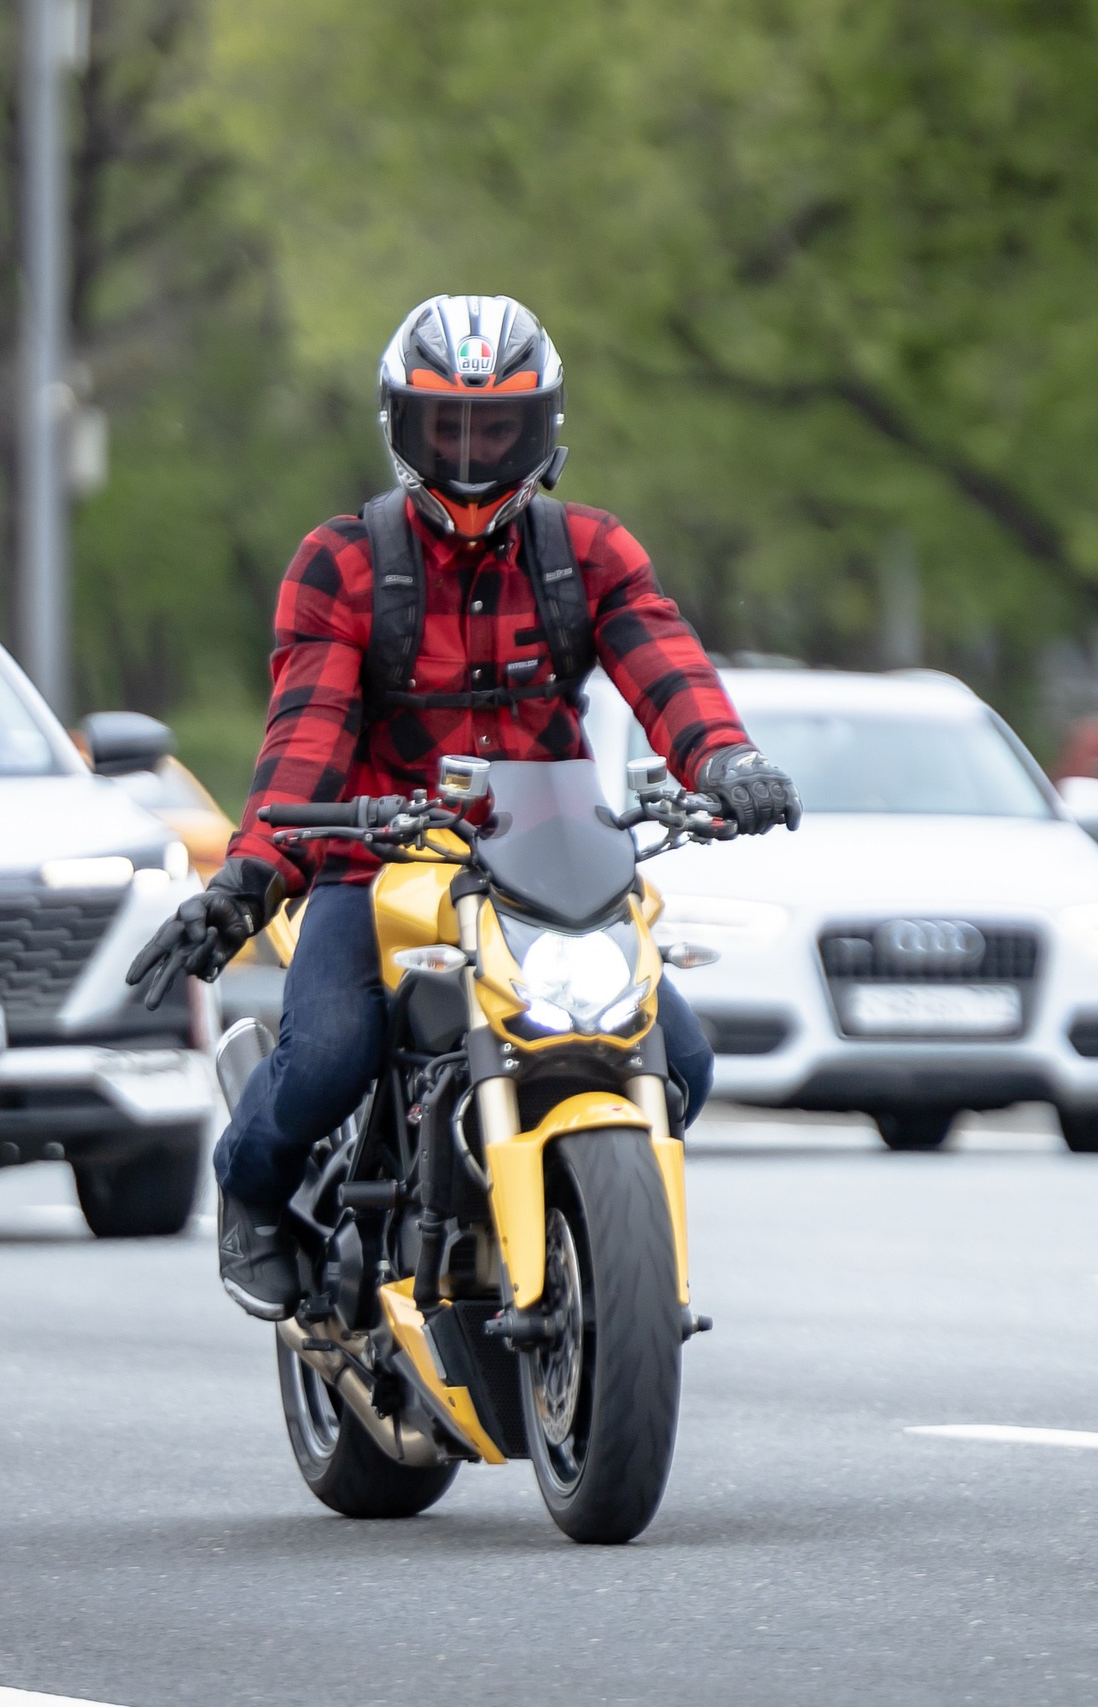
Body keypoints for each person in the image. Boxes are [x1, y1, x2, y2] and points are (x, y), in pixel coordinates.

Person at [127, 294, 800, 1319]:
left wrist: (728, 759)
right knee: (329, 1059)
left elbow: (668, 670)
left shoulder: (591, 552)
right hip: (380, 866)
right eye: (447, 427)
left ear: (542, 430)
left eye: (498, 429)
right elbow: (306, 738)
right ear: (401, 427)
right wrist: (248, 882)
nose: (474, 455)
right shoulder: (343, 561)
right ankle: (251, 1187)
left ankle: (568, 1236)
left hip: (552, 869)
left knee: (686, 1063)